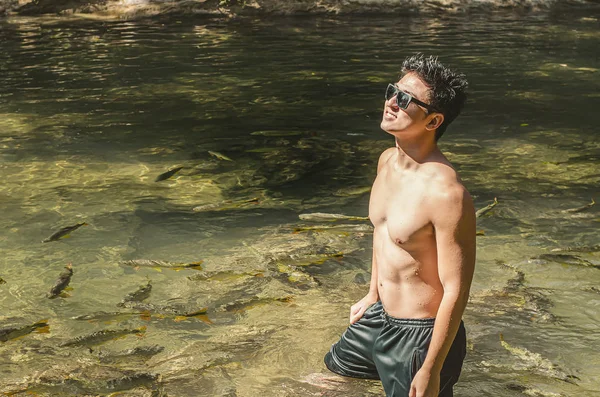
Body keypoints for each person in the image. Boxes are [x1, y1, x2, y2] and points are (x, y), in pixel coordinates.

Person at [324, 53, 475, 397]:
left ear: (433, 121)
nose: (391, 102)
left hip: (419, 335)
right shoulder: (387, 161)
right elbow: (383, 235)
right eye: (393, 90)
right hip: (380, 316)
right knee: (332, 378)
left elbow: (457, 290)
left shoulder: (447, 194)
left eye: (405, 100)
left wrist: (431, 369)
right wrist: (372, 292)